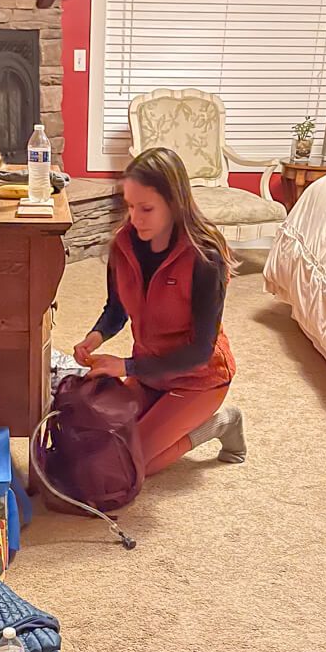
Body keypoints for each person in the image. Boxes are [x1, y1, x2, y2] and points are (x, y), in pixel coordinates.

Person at [73, 147, 246, 477]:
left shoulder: (205, 256)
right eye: (130, 206)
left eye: (147, 208)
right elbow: (116, 309)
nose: (135, 219)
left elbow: (199, 351)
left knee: (126, 469)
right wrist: (93, 338)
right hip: (150, 372)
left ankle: (220, 424)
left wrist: (124, 366)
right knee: (98, 446)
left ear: (174, 203)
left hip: (198, 378)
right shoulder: (123, 244)